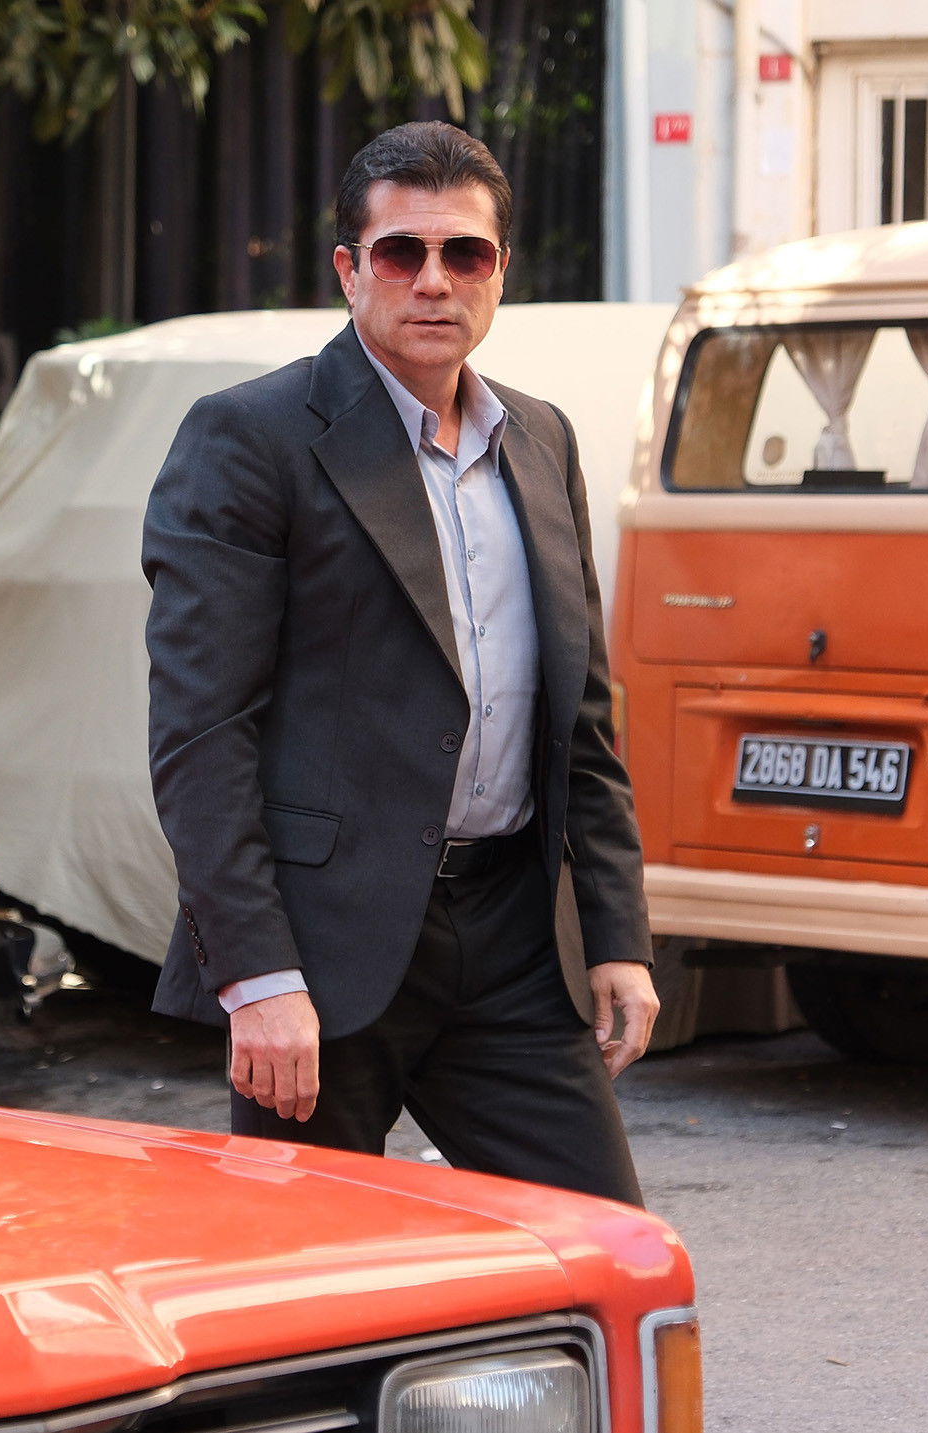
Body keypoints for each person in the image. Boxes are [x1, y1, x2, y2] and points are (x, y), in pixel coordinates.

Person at [140, 123, 658, 1205]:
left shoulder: (544, 442)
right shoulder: (250, 438)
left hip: (515, 939)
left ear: (499, 271)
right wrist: (256, 973)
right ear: (349, 269)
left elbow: (582, 717)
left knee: (602, 1247)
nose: (434, 280)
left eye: (464, 252)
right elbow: (202, 733)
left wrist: (617, 934)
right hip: (322, 950)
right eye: (400, 252)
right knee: (313, 1273)